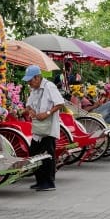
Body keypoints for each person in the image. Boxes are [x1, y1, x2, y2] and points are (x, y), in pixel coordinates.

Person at [22, 64, 63, 192]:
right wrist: (29, 111)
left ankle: (49, 182)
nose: (29, 83)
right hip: (38, 127)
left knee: (47, 154)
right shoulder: (34, 89)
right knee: (33, 152)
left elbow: (60, 103)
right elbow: (29, 105)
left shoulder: (49, 86)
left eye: (31, 80)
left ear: (38, 77)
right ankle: (40, 181)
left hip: (49, 127)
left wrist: (47, 113)